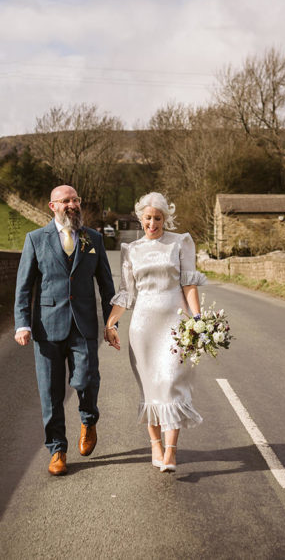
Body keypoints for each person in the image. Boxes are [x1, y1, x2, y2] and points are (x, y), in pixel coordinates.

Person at [14, 184, 116, 476]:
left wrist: (111, 323)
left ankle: (88, 418)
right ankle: (57, 449)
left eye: (76, 200)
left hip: (83, 325)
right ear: (53, 206)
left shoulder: (93, 238)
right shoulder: (35, 239)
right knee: (50, 392)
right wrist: (22, 323)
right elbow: (24, 286)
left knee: (86, 379)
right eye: (66, 200)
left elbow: (106, 285)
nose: (72, 204)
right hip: (46, 328)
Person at [104, 192, 206, 473]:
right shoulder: (131, 249)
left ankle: (171, 451)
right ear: (141, 218)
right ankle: (155, 445)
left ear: (165, 219)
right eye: (148, 218)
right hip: (143, 328)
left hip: (176, 324)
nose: (152, 223)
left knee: (171, 383)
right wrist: (111, 323)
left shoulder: (180, 242)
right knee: (150, 390)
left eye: (158, 218)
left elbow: (189, 283)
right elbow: (126, 293)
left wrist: (197, 319)